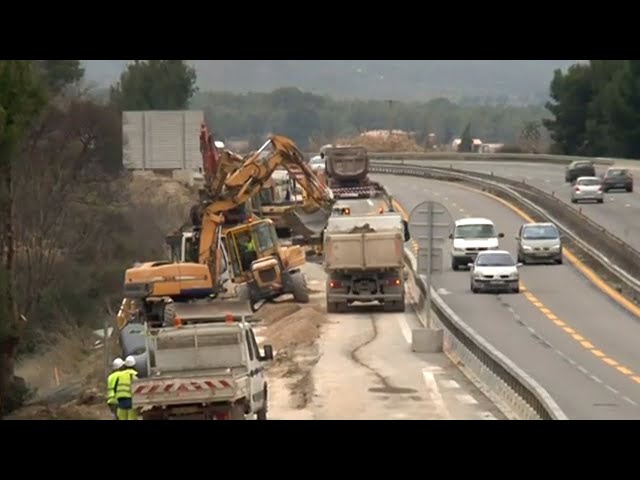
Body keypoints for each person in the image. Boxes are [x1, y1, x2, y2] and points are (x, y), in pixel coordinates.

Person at [114, 355, 139, 420]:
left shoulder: (120, 375)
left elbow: (116, 386)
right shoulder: (133, 375)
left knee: (122, 418)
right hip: (130, 400)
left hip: (121, 400)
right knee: (131, 418)